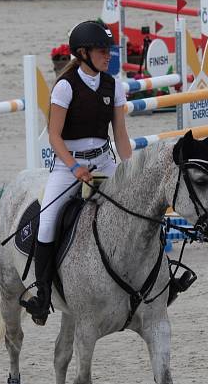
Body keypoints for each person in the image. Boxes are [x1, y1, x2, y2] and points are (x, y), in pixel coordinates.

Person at [22, 20, 132, 325]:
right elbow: (54, 136)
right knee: (46, 222)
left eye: (109, 50)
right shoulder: (65, 87)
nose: (108, 55)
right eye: (102, 50)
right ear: (82, 53)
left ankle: (154, 277)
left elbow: (120, 134)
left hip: (104, 161)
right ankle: (42, 295)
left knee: (137, 207)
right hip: (68, 166)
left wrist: (129, 169)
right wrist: (74, 167)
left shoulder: (114, 86)